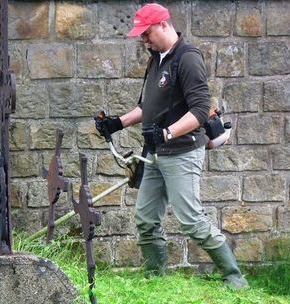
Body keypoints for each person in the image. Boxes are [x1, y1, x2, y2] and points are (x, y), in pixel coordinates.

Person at [95, 3, 248, 290]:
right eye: (141, 35)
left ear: (163, 25)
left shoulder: (187, 59)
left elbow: (201, 110)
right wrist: (118, 123)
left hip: (182, 152)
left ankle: (234, 278)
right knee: (145, 218)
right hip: (156, 152)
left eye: (147, 33)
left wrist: (166, 133)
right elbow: (147, 106)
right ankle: (156, 280)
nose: (144, 40)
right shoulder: (156, 59)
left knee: (190, 220)